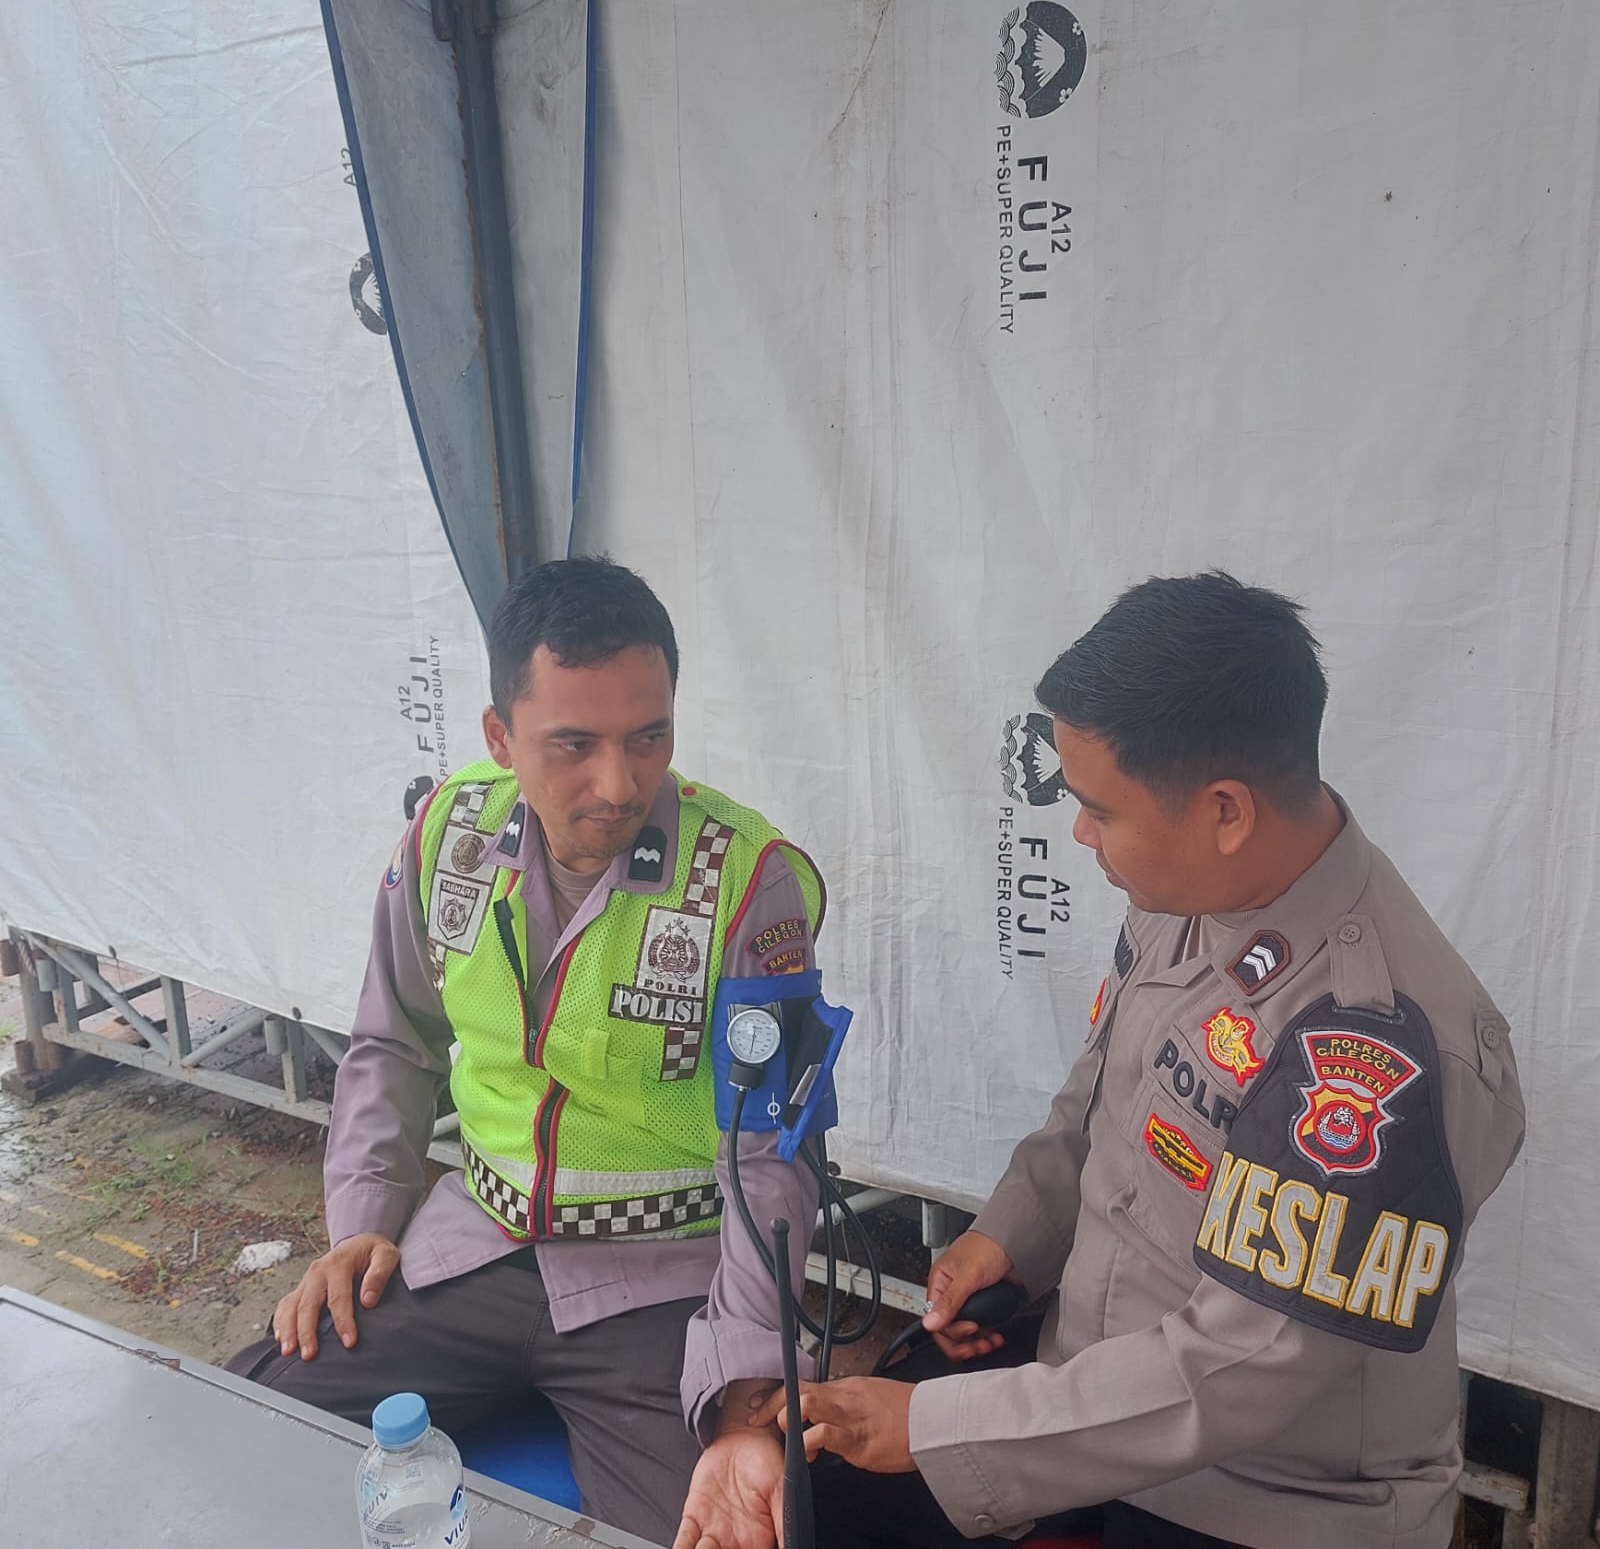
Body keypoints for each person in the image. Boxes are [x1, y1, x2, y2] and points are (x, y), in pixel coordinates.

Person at [769, 572, 1524, 1549]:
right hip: (1081, 1386)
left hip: (1261, 1499)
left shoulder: (1374, 1047)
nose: (1080, 832)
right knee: (804, 1505)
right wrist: (1013, 1234)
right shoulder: (1194, 891)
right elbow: (1099, 1101)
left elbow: (1240, 1368)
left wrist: (942, 1428)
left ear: (1225, 810)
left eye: (1100, 808)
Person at [227, 556, 830, 1548]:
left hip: (664, 1290)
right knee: (243, 1427)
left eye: (649, 737)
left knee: (726, 1532)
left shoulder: (744, 880)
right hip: (470, 1253)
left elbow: (773, 1156)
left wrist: (741, 1374)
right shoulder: (447, 836)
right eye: (573, 745)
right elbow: (393, 1041)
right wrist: (361, 1224)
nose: (619, 784)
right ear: (499, 737)